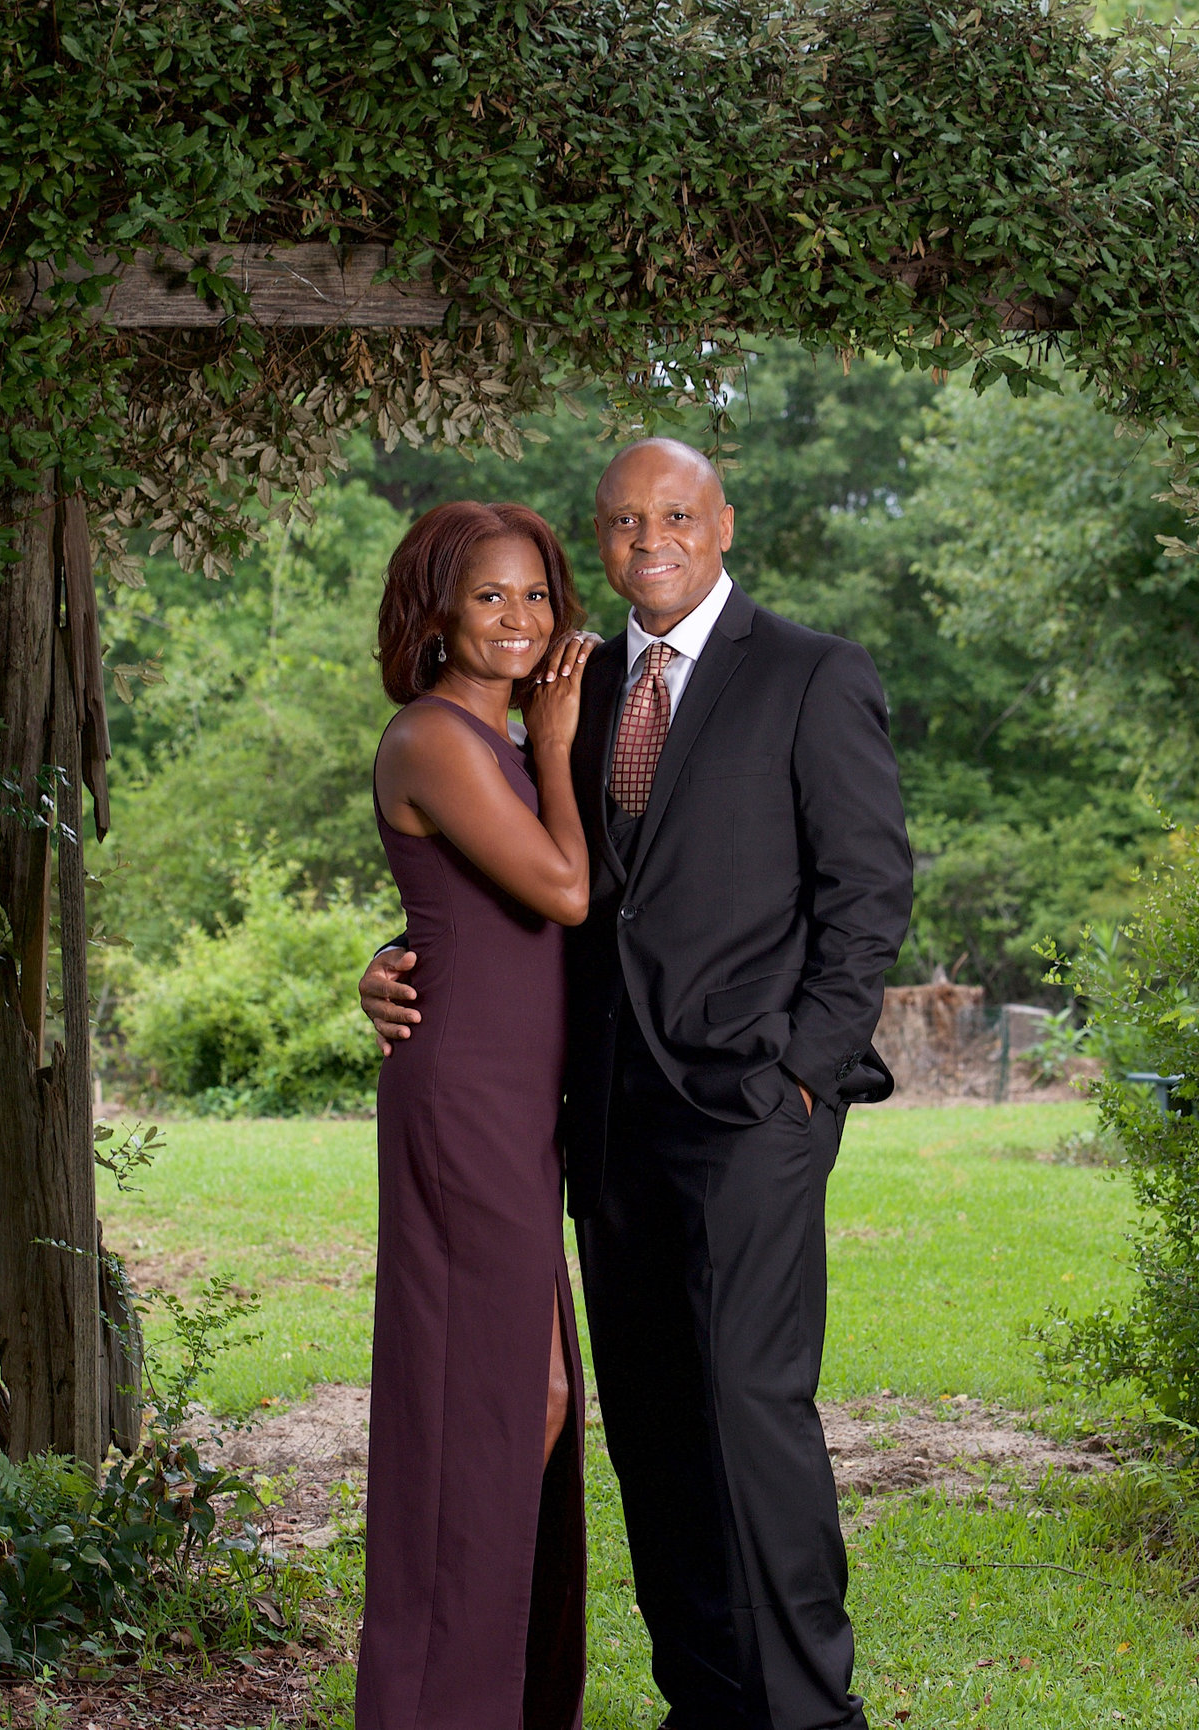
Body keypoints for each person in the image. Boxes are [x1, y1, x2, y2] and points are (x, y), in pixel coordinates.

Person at [363, 441, 912, 1730]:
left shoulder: (809, 673)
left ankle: (801, 1712)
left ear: (722, 522)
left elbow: (868, 892)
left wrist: (802, 1076)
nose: (646, 538)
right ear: (596, 539)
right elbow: (510, 878)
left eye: (673, 513)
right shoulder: (573, 679)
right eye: (620, 520)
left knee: (747, 1409)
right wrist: (393, 957)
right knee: (652, 1424)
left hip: (751, 1110)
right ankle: (704, 1700)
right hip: (600, 1117)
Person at [358, 500, 603, 1730]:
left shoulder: (491, 739)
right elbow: (561, 890)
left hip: (517, 1103)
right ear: (437, 608)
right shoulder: (444, 736)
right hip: (464, 1101)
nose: (518, 619)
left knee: (539, 1396)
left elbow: (466, 912)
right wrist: (555, 744)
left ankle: (499, 1697)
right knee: (489, 1399)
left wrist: (390, 955)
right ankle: (436, 1702)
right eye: (490, 596)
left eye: (537, 596)